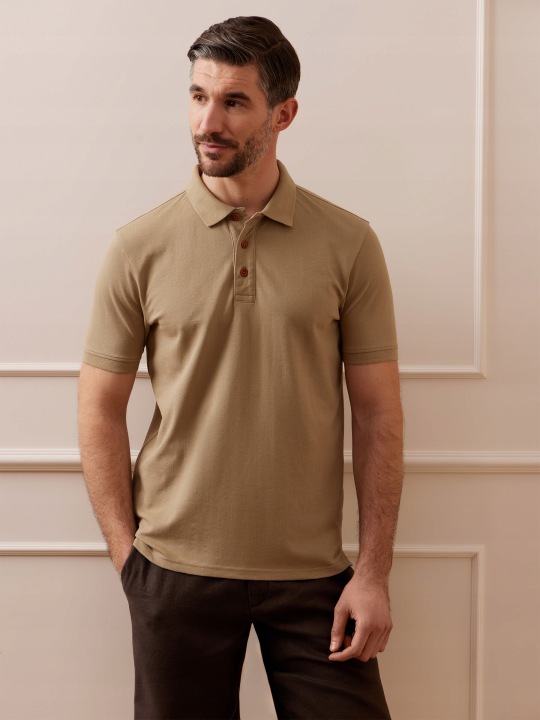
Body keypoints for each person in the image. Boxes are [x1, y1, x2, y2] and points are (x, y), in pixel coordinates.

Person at [78, 15, 403, 720]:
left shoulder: (349, 244)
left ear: (283, 114)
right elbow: (99, 409)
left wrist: (374, 572)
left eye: (233, 102)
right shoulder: (137, 247)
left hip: (315, 577)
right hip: (173, 572)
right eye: (198, 97)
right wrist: (130, 563)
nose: (208, 122)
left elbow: (378, 413)